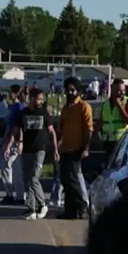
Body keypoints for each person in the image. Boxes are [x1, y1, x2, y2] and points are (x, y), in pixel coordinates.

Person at [4, 88, 59, 220]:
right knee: (27, 179)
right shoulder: (22, 114)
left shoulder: (44, 113)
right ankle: (31, 209)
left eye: (42, 99)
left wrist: (55, 149)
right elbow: (15, 131)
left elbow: (52, 132)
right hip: (27, 149)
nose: (41, 102)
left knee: (34, 178)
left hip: (40, 149)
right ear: (32, 98)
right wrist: (8, 146)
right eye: (39, 99)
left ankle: (42, 204)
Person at [57, 77, 94, 220]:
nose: (70, 92)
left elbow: (89, 129)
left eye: (73, 90)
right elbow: (61, 129)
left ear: (78, 91)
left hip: (77, 148)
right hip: (65, 148)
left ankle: (82, 206)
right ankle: (70, 211)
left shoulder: (84, 107)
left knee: (73, 179)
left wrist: (85, 148)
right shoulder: (66, 109)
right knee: (65, 180)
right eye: (68, 90)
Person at [98, 78, 128, 162]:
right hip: (108, 141)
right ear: (113, 90)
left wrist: (119, 105)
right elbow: (100, 121)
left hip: (122, 141)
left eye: (123, 90)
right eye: (119, 90)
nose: (122, 93)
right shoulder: (106, 104)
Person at [0, 85, 25, 205]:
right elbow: (9, 127)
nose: (9, 95)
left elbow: (18, 127)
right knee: (10, 168)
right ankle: (14, 194)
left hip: (15, 142)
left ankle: (14, 194)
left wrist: (18, 142)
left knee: (8, 166)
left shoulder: (18, 108)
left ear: (15, 93)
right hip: (11, 140)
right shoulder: (13, 107)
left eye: (11, 92)